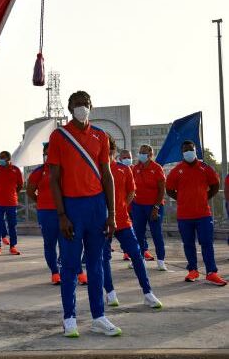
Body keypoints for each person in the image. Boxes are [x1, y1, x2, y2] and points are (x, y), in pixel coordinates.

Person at [48, 91, 121, 337]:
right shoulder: (59, 136)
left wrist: (112, 214)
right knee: (69, 264)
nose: (82, 107)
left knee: (97, 263)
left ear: (92, 106)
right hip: (72, 207)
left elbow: (107, 175)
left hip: (97, 207)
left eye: (86, 104)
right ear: (69, 107)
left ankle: (99, 316)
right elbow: (54, 179)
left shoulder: (100, 135)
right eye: (77, 104)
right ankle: (69, 317)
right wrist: (61, 215)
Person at [102, 142, 163, 308]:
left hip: (122, 221)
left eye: (109, 151)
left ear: (113, 152)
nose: (107, 154)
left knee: (136, 254)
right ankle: (110, 293)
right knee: (104, 258)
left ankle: (148, 293)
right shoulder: (96, 170)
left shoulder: (124, 169)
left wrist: (121, 206)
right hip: (102, 223)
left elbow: (131, 191)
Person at [166, 140, 227, 286]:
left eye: (191, 149)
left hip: (203, 214)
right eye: (186, 149)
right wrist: (182, 199)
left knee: (206, 243)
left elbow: (215, 184)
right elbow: (169, 190)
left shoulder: (205, 168)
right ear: (182, 153)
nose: (189, 152)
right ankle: (193, 270)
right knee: (188, 244)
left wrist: (205, 197)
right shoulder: (176, 171)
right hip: (184, 216)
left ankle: (211, 272)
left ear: (195, 150)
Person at [28, 144, 88, 286]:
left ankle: (78, 271)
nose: (49, 157)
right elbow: (30, 192)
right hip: (46, 214)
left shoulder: (67, 171)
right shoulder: (38, 172)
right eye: (46, 154)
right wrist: (42, 202)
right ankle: (55, 272)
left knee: (70, 243)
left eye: (52, 153)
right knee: (50, 244)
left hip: (66, 213)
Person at [131, 144, 167, 269]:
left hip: (154, 206)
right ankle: (139, 259)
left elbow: (162, 190)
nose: (141, 154)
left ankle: (161, 260)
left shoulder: (157, 168)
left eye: (144, 152)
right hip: (138, 206)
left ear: (150, 154)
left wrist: (156, 207)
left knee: (156, 233)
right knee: (138, 234)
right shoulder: (135, 168)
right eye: (140, 152)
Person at [0, 151, 23, 255]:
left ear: (9, 159)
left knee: (12, 225)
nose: (0, 159)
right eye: (0, 157)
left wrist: (12, 192)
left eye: (2, 158)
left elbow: (20, 185)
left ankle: (13, 246)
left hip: (11, 203)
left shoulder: (16, 170)